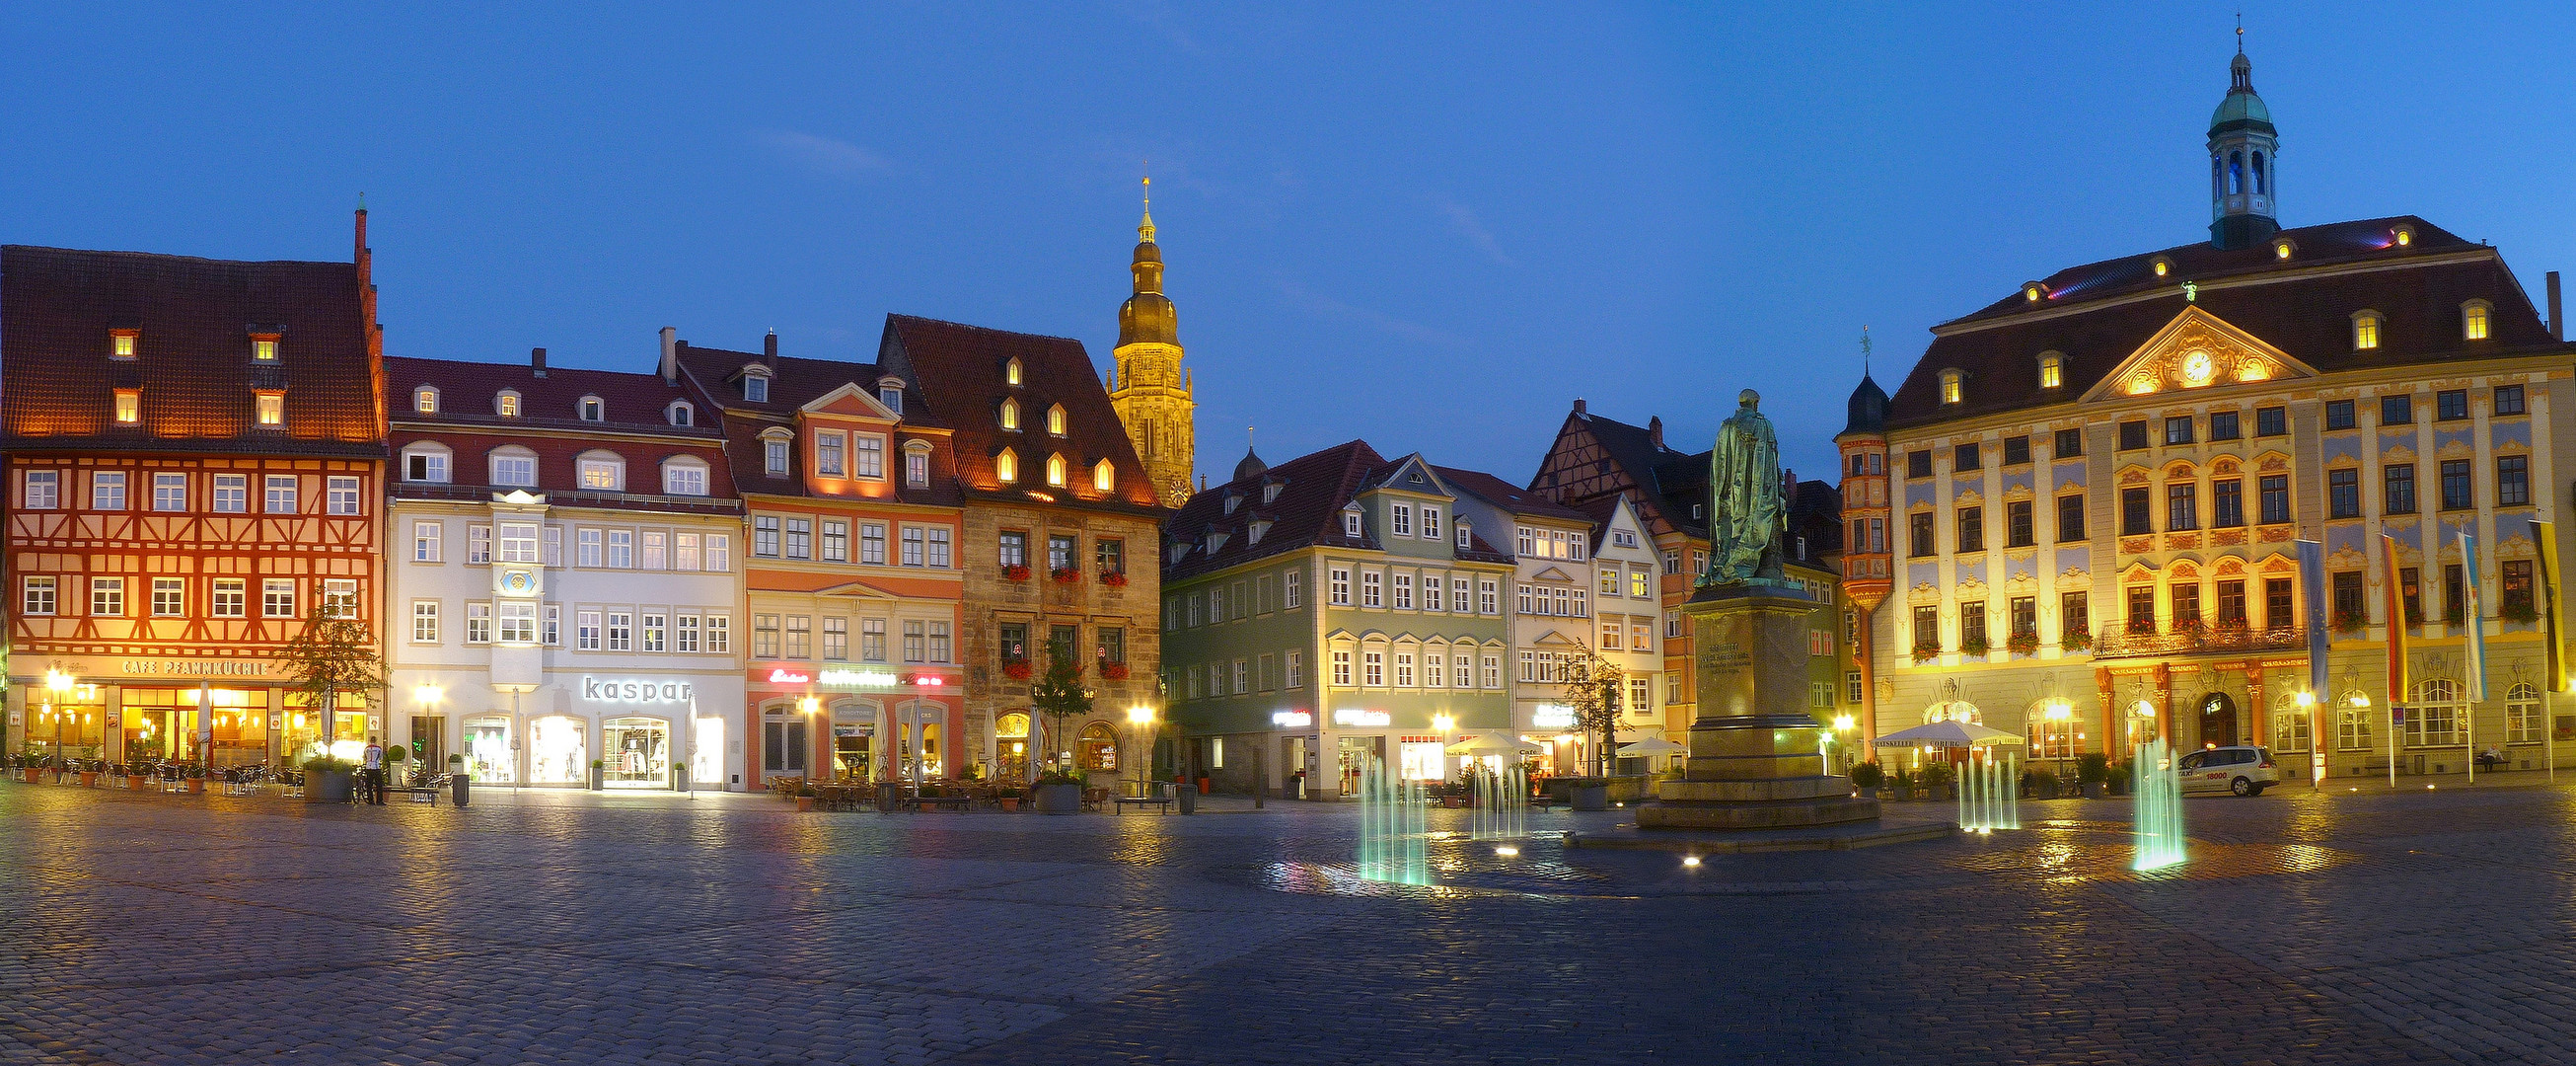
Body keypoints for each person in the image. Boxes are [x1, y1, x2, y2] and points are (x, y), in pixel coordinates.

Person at [360, 737, 386, 805]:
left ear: (370, 741)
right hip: (376, 767)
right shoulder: (378, 749)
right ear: (376, 741)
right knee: (379, 785)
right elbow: (381, 757)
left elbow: (364, 757)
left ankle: (370, 800)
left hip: (368, 767)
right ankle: (379, 801)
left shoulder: (366, 749)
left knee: (369, 785)